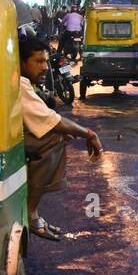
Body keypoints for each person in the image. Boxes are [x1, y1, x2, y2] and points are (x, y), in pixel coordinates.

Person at [18, 35, 103, 241]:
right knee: (53, 138)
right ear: (20, 62)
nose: (45, 67)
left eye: (46, 61)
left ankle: (31, 209)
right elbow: (52, 121)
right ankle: (30, 213)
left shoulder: (24, 82)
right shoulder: (18, 83)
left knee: (58, 135)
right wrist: (89, 133)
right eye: (38, 61)